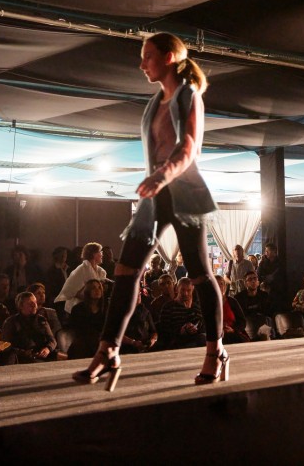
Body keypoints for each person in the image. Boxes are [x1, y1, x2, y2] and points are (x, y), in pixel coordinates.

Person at [73, 33, 224, 390]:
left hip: (183, 192)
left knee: (200, 274)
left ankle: (215, 351)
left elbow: (189, 148)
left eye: (148, 56)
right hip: (155, 196)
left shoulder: (188, 95)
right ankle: (109, 351)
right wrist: (155, 181)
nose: (142, 65)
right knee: (125, 272)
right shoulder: (156, 101)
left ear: (169, 57)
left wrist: (160, 176)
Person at [2, 291, 58, 362]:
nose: (35, 305)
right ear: (21, 306)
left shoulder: (41, 320)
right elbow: (5, 345)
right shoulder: (11, 322)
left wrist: (48, 349)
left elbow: (52, 340)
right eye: (30, 303)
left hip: (42, 355)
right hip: (20, 357)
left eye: (35, 302)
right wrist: (23, 353)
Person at [56, 243, 108, 315]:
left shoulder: (101, 271)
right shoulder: (81, 270)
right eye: (100, 252)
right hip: (77, 308)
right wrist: (90, 298)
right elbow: (72, 291)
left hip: (92, 308)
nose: (102, 254)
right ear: (93, 254)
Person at [158, 277, 206, 350]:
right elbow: (163, 331)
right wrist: (180, 331)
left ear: (192, 290)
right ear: (177, 289)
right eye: (182, 290)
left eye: (188, 290)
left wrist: (193, 327)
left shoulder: (196, 307)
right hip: (176, 342)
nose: (185, 293)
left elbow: (202, 327)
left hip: (195, 341)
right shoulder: (168, 307)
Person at [215, 275, 249, 344]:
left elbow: (242, 321)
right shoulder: (208, 303)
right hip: (216, 334)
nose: (220, 287)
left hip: (233, 332)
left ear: (225, 287)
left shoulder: (232, 301)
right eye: (216, 284)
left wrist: (233, 330)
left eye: (221, 284)